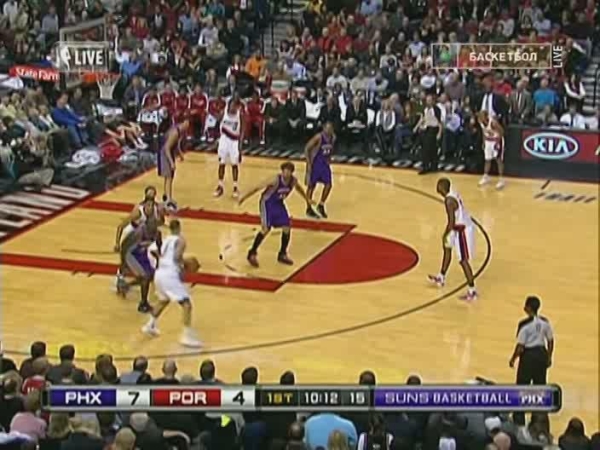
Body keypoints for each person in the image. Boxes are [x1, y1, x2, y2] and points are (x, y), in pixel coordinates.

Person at [238, 161, 315, 268]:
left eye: (288, 171)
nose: (286, 173)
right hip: (267, 203)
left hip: (278, 203)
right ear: (282, 171)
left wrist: (307, 199)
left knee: (287, 227)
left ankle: (282, 254)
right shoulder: (275, 179)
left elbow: (299, 188)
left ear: (291, 172)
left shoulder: (293, 181)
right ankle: (252, 253)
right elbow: (257, 187)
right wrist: (244, 197)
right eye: (284, 171)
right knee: (266, 229)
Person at [142, 219, 202, 348]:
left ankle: (150, 325)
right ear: (179, 228)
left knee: (164, 300)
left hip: (159, 273)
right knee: (186, 304)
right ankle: (186, 336)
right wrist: (184, 264)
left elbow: (152, 251)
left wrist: (160, 262)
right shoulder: (180, 240)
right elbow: (176, 257)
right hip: (169, 274)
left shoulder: (164, 240)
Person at [428, 178, 477, 301]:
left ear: (443, 188)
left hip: (462, 230)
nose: (437, 187)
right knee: (447, 247)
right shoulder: (451, 193)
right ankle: (441, 277)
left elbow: (451, 222)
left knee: (463, 261)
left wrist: (445, 234)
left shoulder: (449, 201)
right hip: (456, 227)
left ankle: (472, 290)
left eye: (439, 186)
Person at [509, 296, 554, 425]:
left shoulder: (524, 324)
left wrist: (513, 359)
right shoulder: (545, 322)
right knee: (540, 387)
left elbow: (520, 347)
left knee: (522, 388)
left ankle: (519, 420)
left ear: (528, 308)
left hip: (529, 357)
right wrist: (549, 356)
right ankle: (539, 419)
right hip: (541, 354)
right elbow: (550, 341)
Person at [114, 186, 165, 287]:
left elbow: (160, 223)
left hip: (144, 235)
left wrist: (160, 219)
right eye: (149, 194)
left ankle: (148, 272)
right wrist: (117, 243)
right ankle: (120, 276)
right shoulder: (138, 211)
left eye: (153, 194)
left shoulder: (157, 209)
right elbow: (120, 226)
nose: (151, 196)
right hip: (132, 233)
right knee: (126, 257)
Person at [118, 219, 160, 313]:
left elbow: (159, 248)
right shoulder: (138, 233)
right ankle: (143, 304)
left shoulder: (157, 233)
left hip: (142, 254)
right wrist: (123, 263)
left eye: (155, 225)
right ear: (146, 224)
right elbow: (124, 246)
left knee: (151, 276)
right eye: (151, 225)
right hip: (131, 254)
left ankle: (126, 286)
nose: (153, 227)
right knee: (145, 277)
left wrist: (158, 260)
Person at [214, 92, 244, 199]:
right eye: (232, 104)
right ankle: (220, 186)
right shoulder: (224, 112)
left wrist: (240, 147)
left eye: (235, 105)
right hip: (224, 139)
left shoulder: (240, 114)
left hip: (234, 141)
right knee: (221, 163)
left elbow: (242, 131)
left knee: (234, 164)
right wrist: (218, 111)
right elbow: (217, 120)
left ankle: (235, 187)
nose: (233, 107)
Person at [304, 121, 335, 219]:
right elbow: (307, 148)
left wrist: (329, 158)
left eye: (330, 128)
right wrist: (309, 163)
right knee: (311, 186)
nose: (329, 130)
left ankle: (321, 205)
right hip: (315, 163)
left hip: (324, 164)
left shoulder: (333, 137)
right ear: (324, 128)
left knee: (328, 185)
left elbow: (330, 149)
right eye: (327, 128)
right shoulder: (318, 137)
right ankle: (308, 208)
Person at [158, 120, 189, 211]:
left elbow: (176, 144)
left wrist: (180, 154)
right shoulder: (175, 132)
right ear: (183, 123)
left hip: (169, 152)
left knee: (169, 177)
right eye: (187, 124)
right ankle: (168, 200)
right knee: (168, 177)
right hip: (165, 153)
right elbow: (167, 147)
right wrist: (171, 162)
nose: (187, 127)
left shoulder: (180, 131)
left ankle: (167, 197)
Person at [477, 111, 505, 190]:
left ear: (486, 117)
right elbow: (483, 132)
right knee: (487, 160)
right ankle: (486, 176)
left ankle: (501, 179)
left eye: (481, 117)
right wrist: (483, 142)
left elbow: (502, 132)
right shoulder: (481, 122)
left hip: (496, 141)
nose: (479, 118)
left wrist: (497, 143)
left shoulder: (493, 123)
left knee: (498, 160)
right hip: (488, 142)